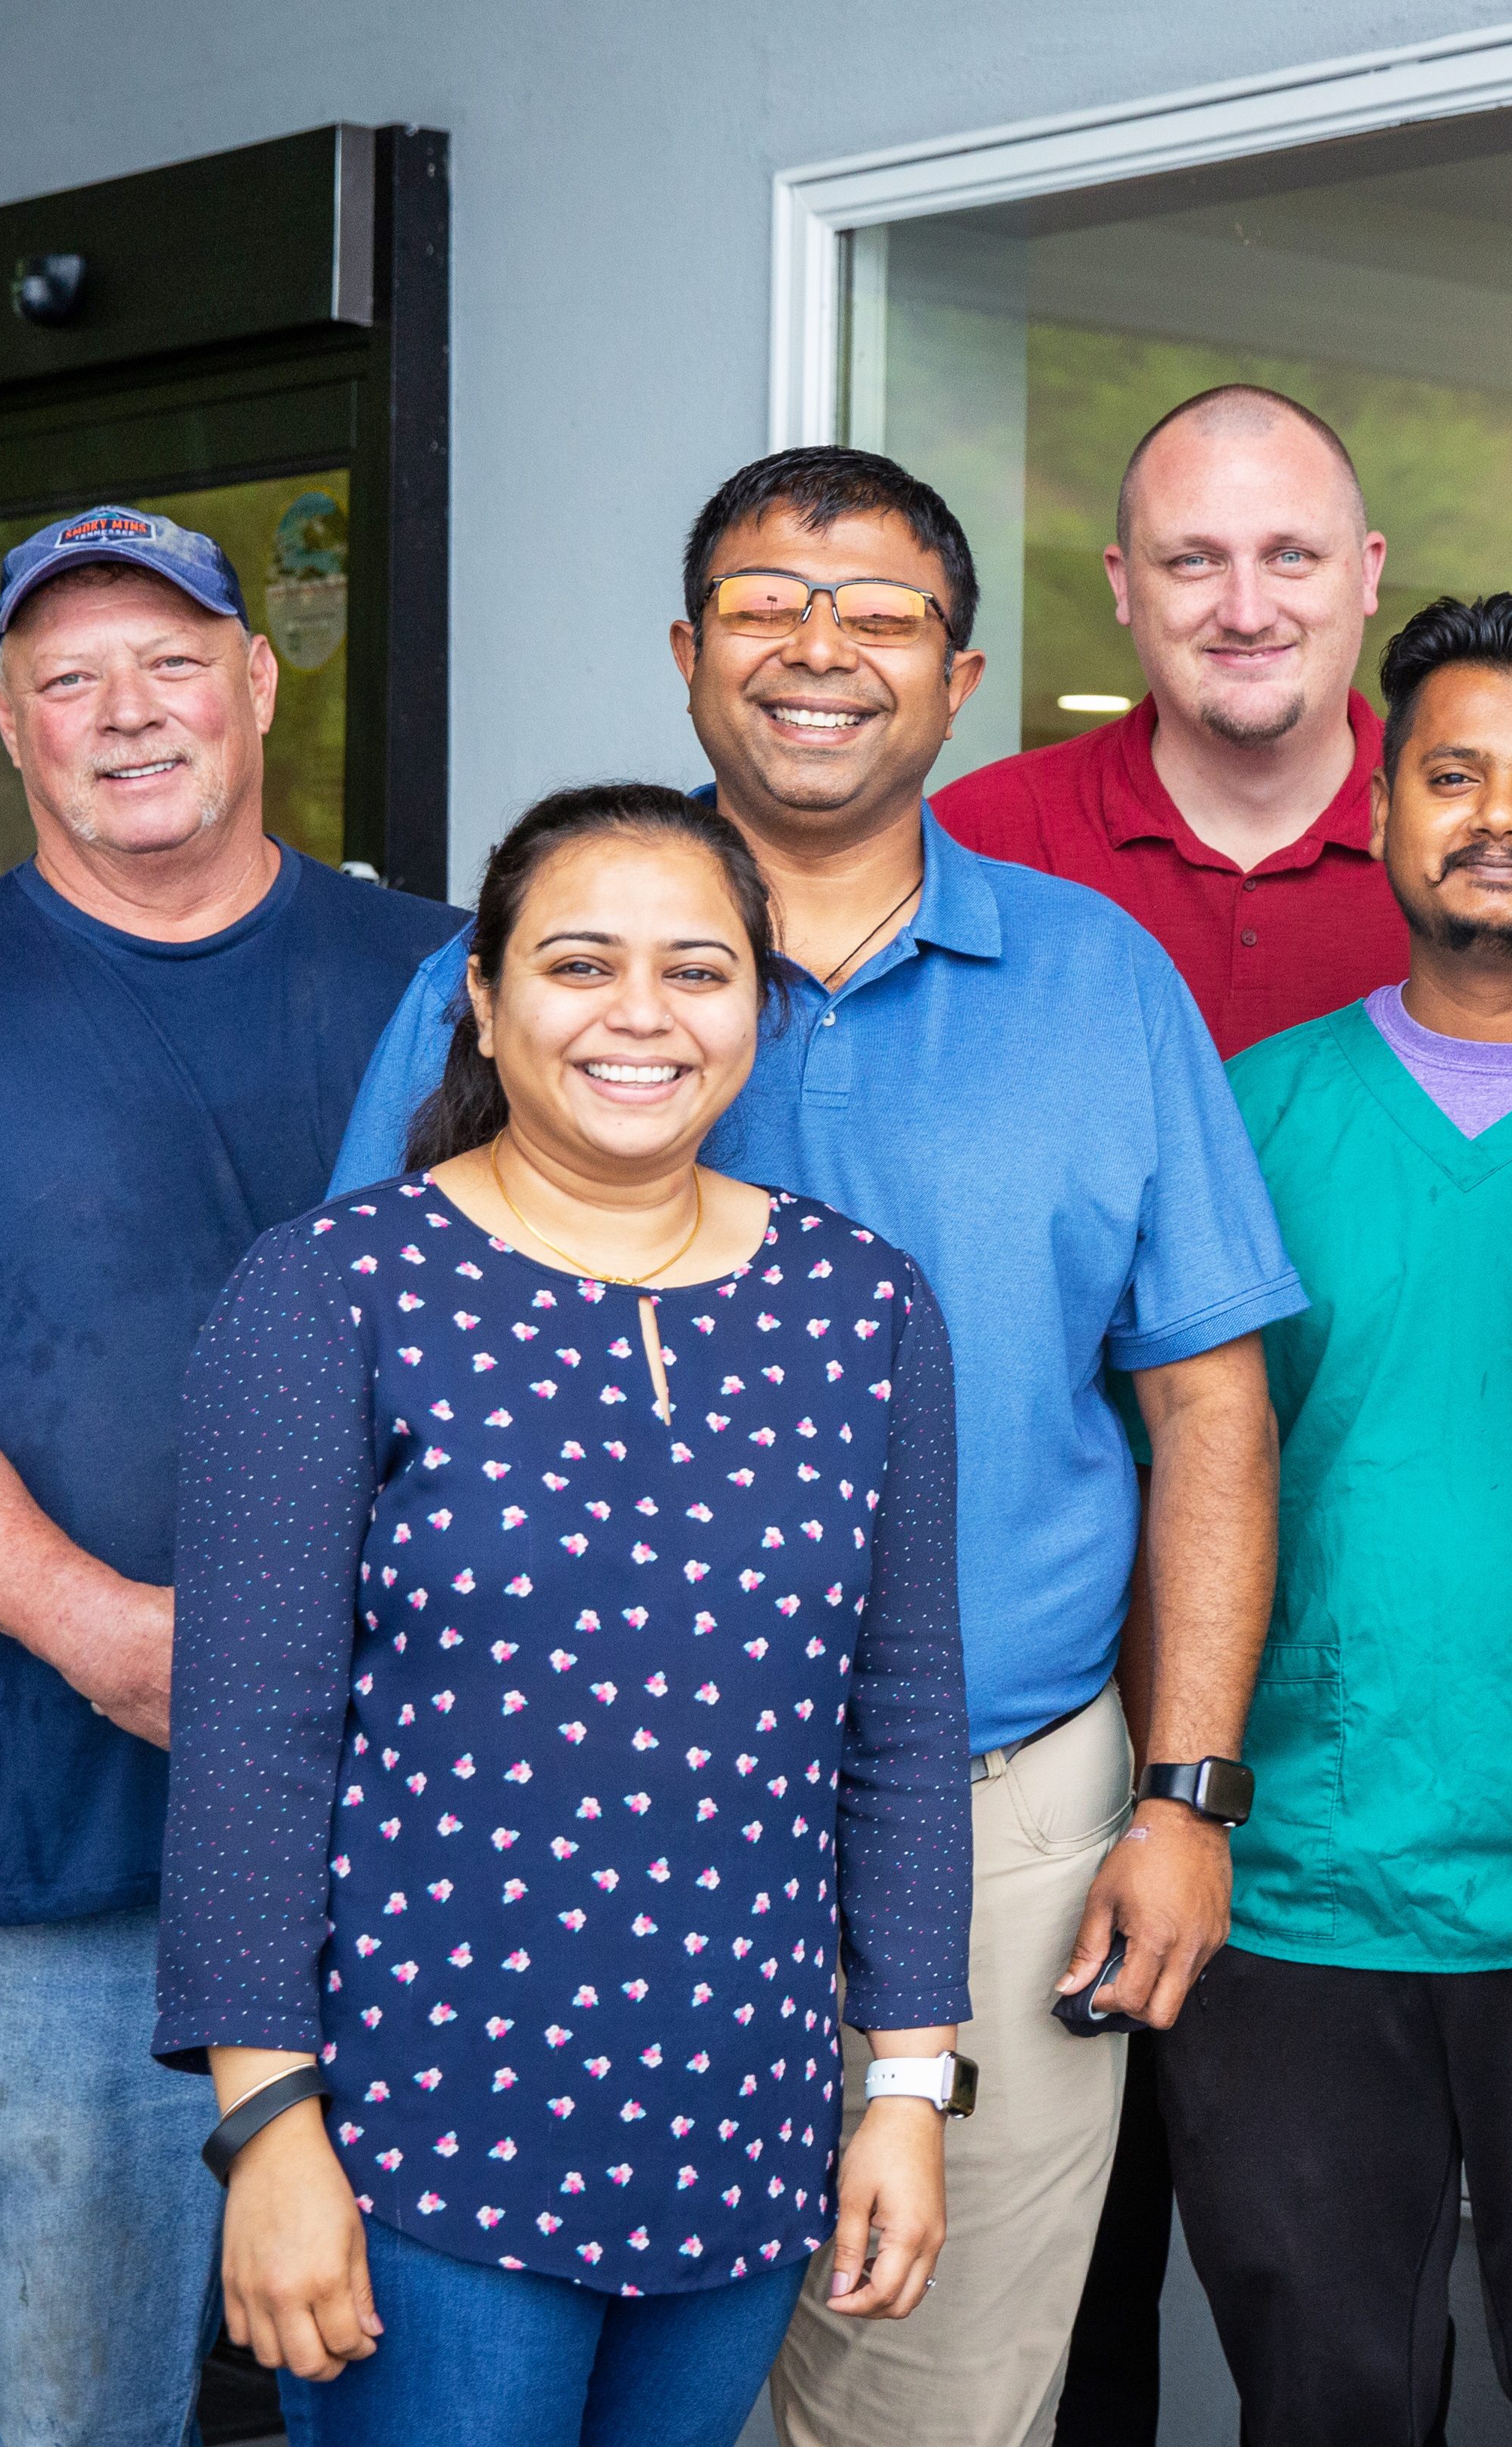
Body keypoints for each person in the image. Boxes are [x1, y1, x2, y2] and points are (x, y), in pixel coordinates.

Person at [326, 449, 1300, 2447]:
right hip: (562, 1838)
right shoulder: (518, 980)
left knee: (928, 2405)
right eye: (769, 603)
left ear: (961, 679)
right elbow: (358, 1397)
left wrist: (1185, 1792)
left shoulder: (1100, 982)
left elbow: (1209, 1405)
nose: (820, 649)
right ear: (688, 654)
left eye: (880, 613)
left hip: (1004, 1817)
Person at [934, 378, 1512, 2433]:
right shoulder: (1124, 990)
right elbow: (1167, 1436)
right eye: (1195, 554)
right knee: (1264, 2364)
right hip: (1237, 1834)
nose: (1242, 597)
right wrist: (1172, 1794)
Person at [0, 506, 457, 2445]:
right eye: (70, 677)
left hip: (439, 1845)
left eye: (173, 661)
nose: (129, 711)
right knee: (79, 2411)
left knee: (449, 2402)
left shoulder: (450, 983)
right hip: (64, 1876)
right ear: (7, 719)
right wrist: (116, 1639)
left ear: (259, 682)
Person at [161, 785, 970, 2447]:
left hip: (744, 2136)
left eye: (697, 970)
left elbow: (899, 1724)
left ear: (759, 1004)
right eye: (580, 964)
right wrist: (269, 2128)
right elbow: (248, 1743)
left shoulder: (863, 1304)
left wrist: (903, 2087)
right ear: (483, 996)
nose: (640, 1016)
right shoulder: (336, 1289)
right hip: (425, 2140)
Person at [1158, 592, 1512, 2443]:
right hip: (1302, 1889)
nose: (1498, 817)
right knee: (1325, 2399)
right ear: (1380, 809)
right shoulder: (1249, 1113)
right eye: (1452, 775)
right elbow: (1177, 1484)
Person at [932, 381, 1512, 1058]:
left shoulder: (1506, 859)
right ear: (1124, 583)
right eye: (1194, 561)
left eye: (1290, 556)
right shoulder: (970, 841)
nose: (1246, 613)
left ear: (1368, 571)